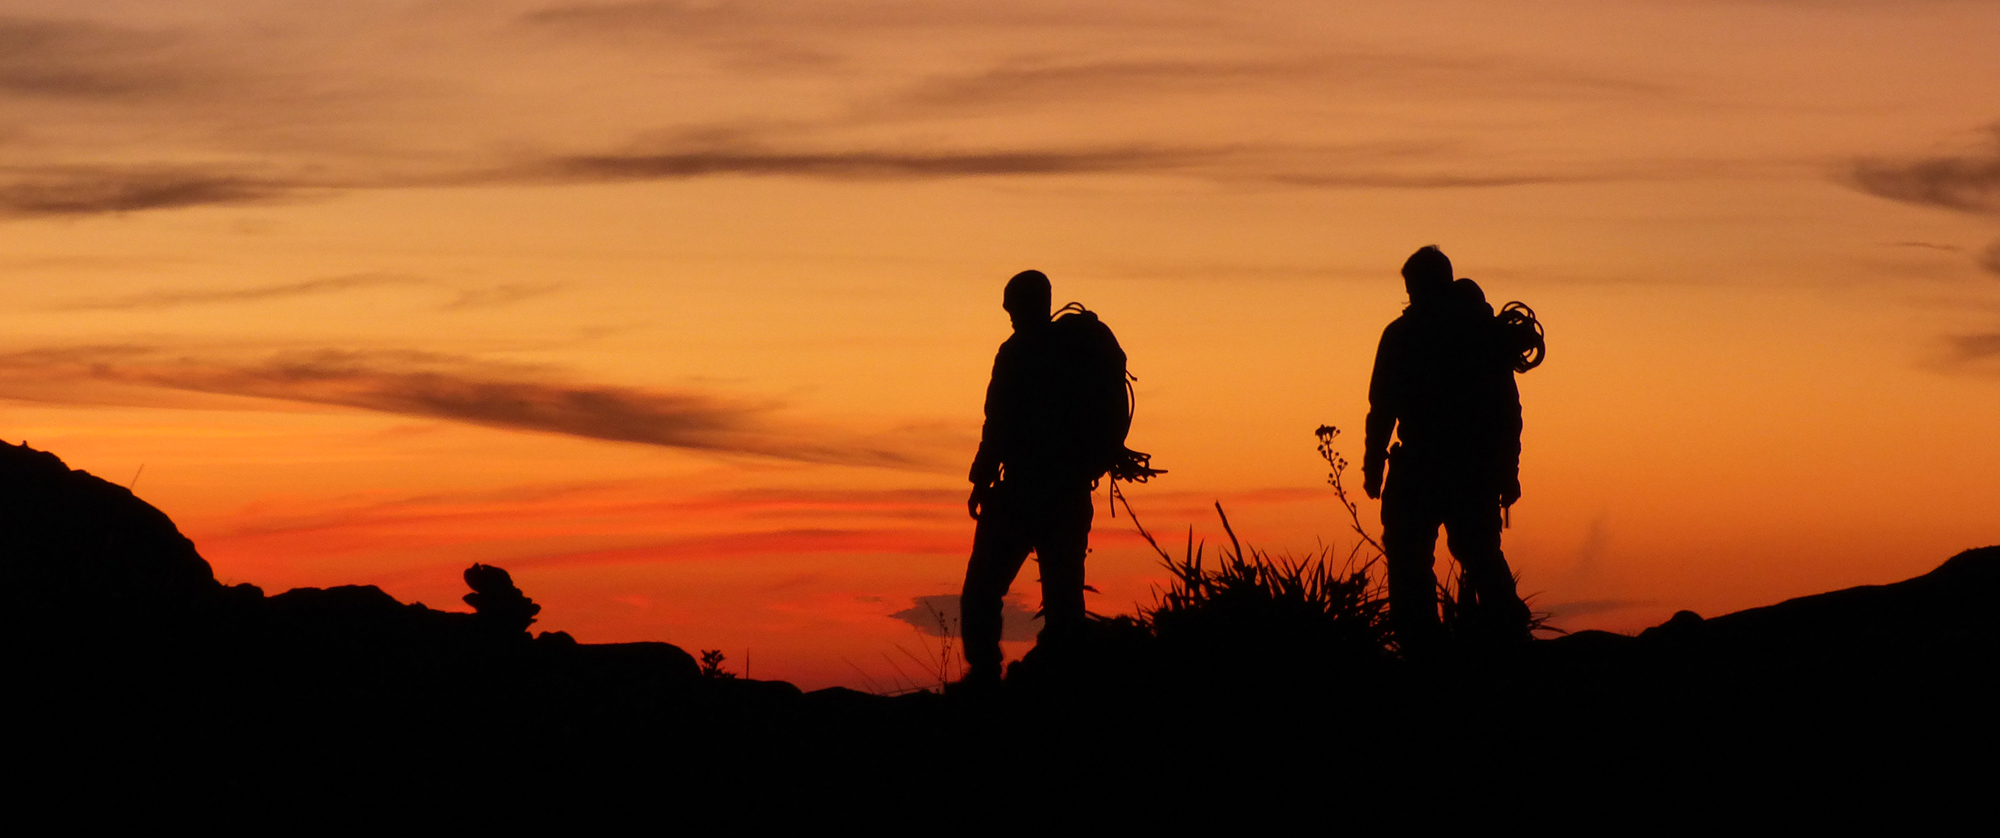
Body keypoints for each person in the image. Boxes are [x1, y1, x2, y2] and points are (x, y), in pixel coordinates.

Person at [1362, 246, 1531, 655]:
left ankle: (1425, 649)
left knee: (1410, 559)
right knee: (1477, 553)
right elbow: (1508, 411)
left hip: (1422, 465)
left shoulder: (1402, 335)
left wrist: (1373, 465)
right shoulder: (1482, 334)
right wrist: (1507, 472)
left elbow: (1382, 407)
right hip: (1472, 469)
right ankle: (1508, 636)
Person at [959, 270, 1118, 687]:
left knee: (983, 587)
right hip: (1070, 493)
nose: (1009, 313)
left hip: (1024, 491)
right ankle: (1062, 672)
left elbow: (997, 424)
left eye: (1012, 304)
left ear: (1028, 303)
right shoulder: (1078, 350)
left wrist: (981, 480)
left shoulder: (1016, 353)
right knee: (1064, 588)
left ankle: (984, 676)